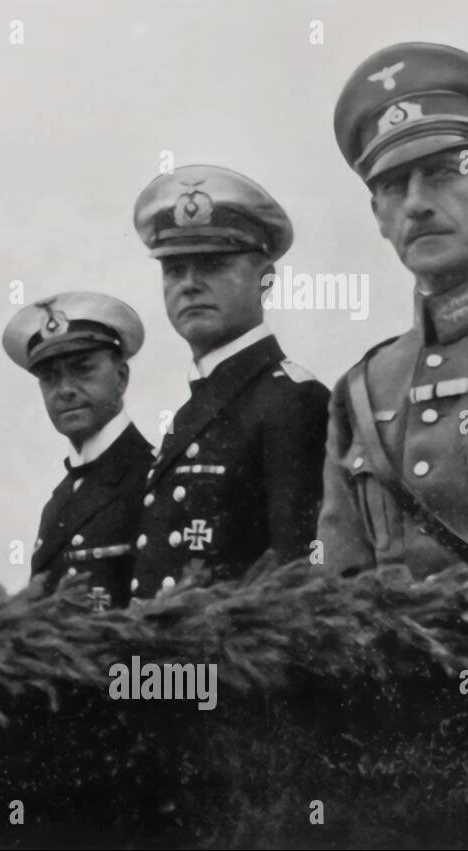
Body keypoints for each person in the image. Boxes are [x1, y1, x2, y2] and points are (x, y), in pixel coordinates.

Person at [320, 42, 468, 578]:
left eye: (442, 172)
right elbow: (338, 591)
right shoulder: (362, 390)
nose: (416, 203)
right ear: (378, 216)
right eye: (392, 185)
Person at [129, 165, 330, 598]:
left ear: (266, 279)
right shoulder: (194, 409)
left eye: (215, 265)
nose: (190, 285)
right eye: (173, 269)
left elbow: (300, 577)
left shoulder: (292, 400)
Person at [3, 291, 153, 608]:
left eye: (82, 369)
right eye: (50, 377)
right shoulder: (60, 499)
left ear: (121, 377)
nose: (65, 390)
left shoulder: (154, 478)